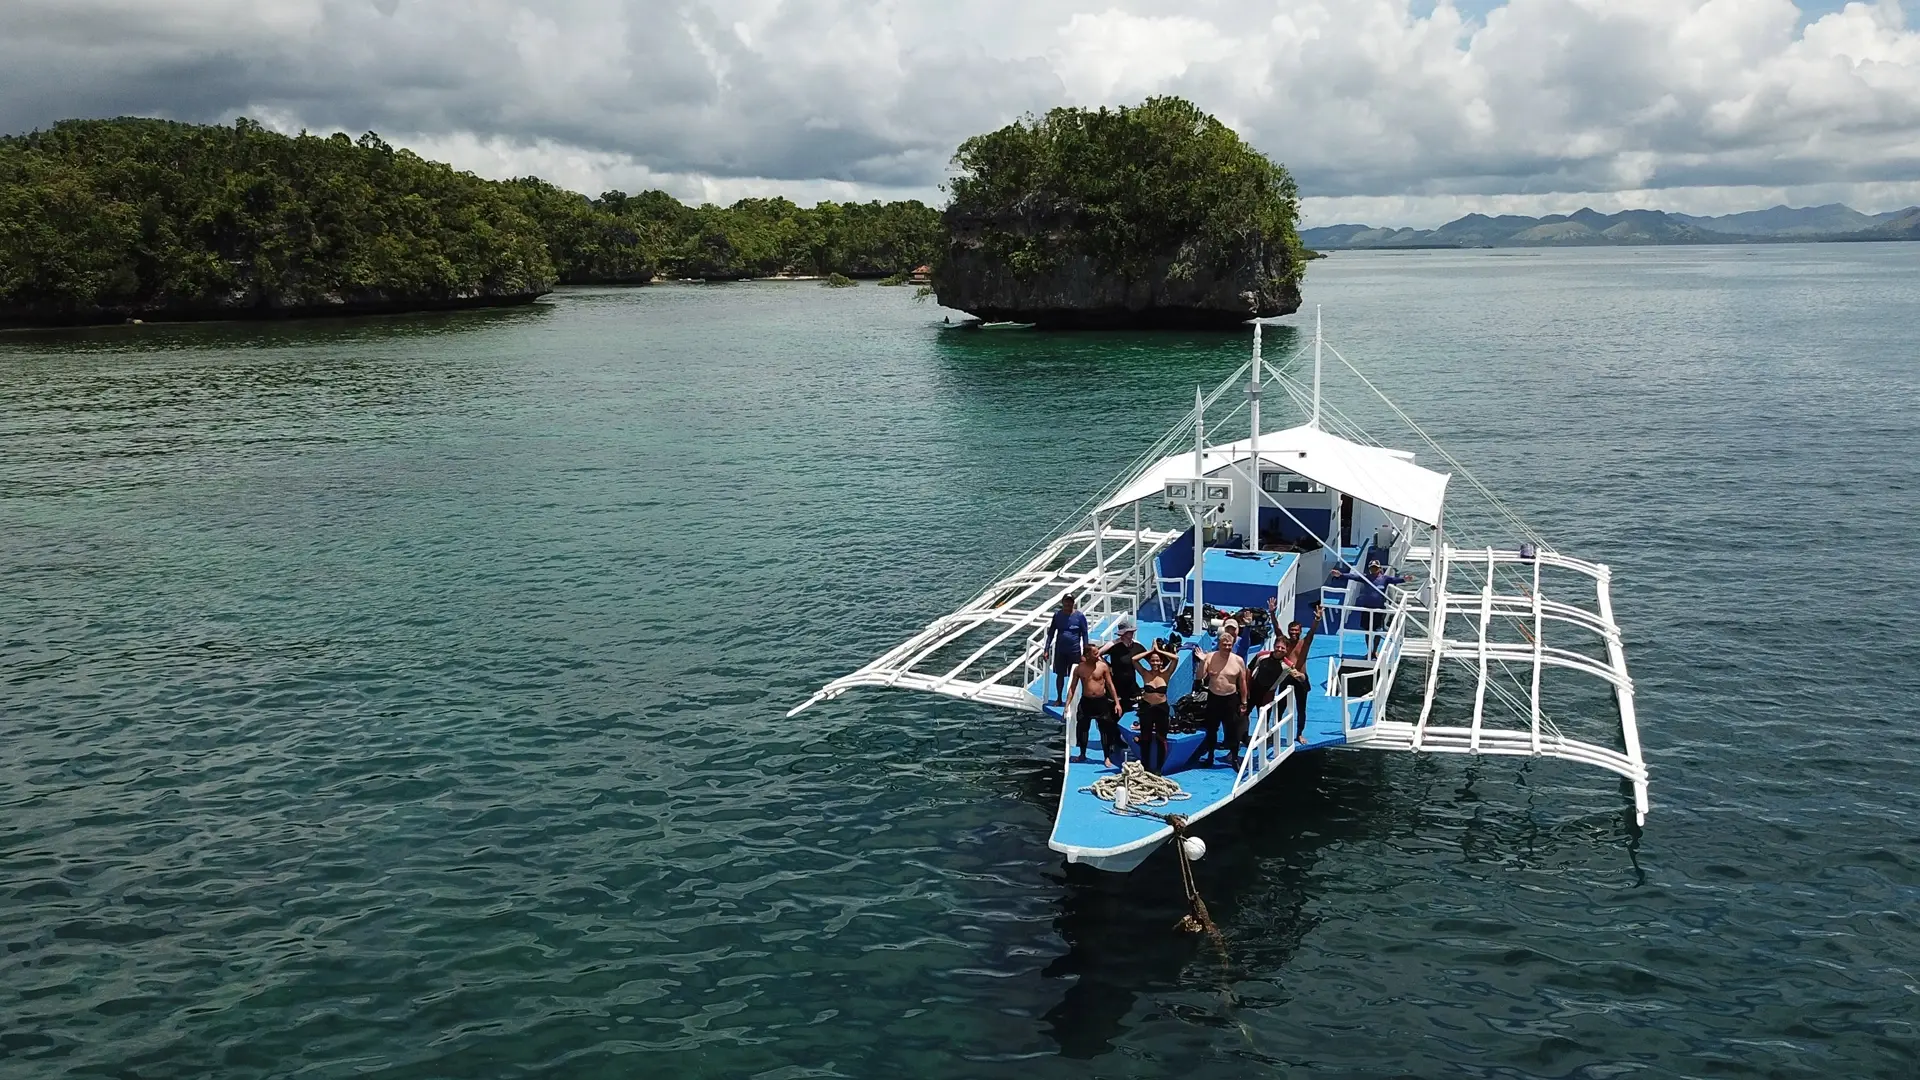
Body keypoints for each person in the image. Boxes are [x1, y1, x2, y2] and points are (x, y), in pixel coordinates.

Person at [1331, 561, 1415, 658]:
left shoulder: (1384, 579)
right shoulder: (1366, 577)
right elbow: (1353, 576)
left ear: (1379, 568)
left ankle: (1375, 651)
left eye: (1375, 568)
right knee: (1367, 631)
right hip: (1367, 609)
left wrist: (1405, 579)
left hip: (1378, 610)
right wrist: (1340, 575)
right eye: (1371, 568)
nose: (1373, 570)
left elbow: (1395, 579)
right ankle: (1369, 651)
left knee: (1378, 631)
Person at [1195, 621, 1249, 769]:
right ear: (1219, 644)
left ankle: (1234, 759)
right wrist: (1202, 661)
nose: (1226, 647)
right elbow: (1199, 677)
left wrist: (1244, 702)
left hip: (1231, 699)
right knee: (1212, 729)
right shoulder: (1210, 657)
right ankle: (1210, 757)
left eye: (1229, 645)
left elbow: (1242, 683)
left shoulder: (1238, 661)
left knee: (1232, 730)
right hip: (1214, 698)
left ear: (1232, 645)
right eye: (1224, 644)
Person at [1067, 641, 1125, 767]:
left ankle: (1107, 757)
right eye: (1095, 653)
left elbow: (1110, 685)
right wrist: (1067, 705)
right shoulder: (1079, 668)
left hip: (1101, 702)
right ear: (1087, 655)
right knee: (1082, 729)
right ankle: (1082, 754)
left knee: (1105, 730)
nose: (1098, 654)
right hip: (1086, 702)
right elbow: (1072, 687)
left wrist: (1117, 703)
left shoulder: (1103, 666)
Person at [1272, 604, 1323, 745]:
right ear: (1289, 631)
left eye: (1296, 630)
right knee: (1280, 707)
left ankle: (1299, 734)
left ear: (1300, 631)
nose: (1293, 632)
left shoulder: (1304, 643)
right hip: (1286, 676)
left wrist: (1317, 620)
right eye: (1291, 630)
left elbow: (1312, 632)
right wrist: (1272, 613)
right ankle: (1274, 733)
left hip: (1301, 677)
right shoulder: (1285, 643)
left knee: (1301, 707)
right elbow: (1277, 630)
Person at [1135, 639, 1178, 774]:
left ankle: (1159, 768)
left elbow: (1175, 658)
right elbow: (1134, 660)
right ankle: (1145, 766)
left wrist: (1158, 651)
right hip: (1146, 708)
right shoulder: (1145, 674)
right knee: (1145, 738)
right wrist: (1150, 652)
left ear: (1161, 662)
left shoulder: (1166, 674)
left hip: (1161, 709)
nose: (1155, 663)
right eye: (1152, 661)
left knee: (1161, 739)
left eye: (1157, 660)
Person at [1044, 593, 1090, 705]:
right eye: (1066, 601)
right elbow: (1051, 633)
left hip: (1074, 651)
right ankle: (1059, 699)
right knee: (1060, 675)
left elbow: (1084, 634)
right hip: (1060, 651)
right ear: (1062, 602)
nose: (1068, 604)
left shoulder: (1079, 616)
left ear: (1073, 603)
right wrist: (1046, 649)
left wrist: (1086, 652)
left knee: (1076, 675)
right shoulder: (1057, 615)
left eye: (1070, 601)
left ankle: (1076, 700)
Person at [1101, 615, 1148, 716]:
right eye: (1128, 632)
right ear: (1123, 634)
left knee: (1132, 707)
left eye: (1131, 632)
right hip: (1116, 682)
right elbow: (1097, 655)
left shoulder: (1137, 645)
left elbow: (1149, 657)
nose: (1131, 634)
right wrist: (1107, 666)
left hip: (1131, 682)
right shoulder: (1112, 645)